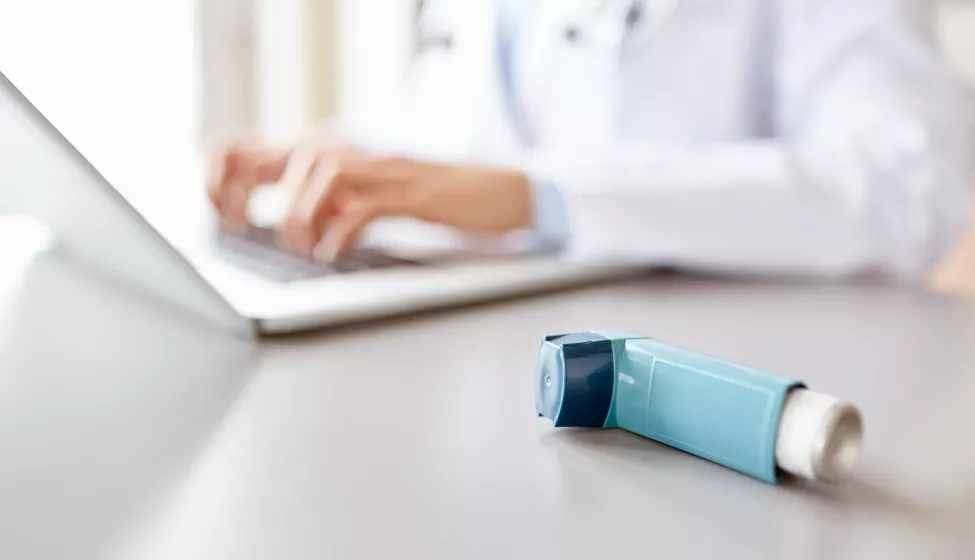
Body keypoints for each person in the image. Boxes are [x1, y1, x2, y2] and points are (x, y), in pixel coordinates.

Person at [207, 0, 974, 282]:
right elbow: (464, 131)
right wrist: (346, 155)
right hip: (494, 343)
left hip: (728, 376)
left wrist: (540, 196)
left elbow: (903, 187)